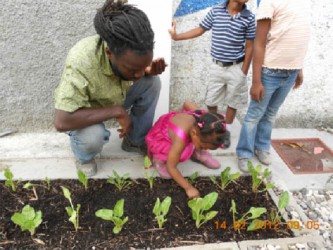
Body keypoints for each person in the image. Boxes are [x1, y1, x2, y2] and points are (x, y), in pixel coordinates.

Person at [54, 0, 167, 177]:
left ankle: (135, 141)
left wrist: (148, 70)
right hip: (87, 110)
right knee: (93, 137)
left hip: (114, 95)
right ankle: (85, 157)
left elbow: (135, 71)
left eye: (142, 66)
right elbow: (62, 121)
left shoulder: (130, 48)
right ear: (109, 53)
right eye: (132, 69)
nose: (137, 74)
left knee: (152, 82)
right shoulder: (82, 60)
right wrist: (117, 111)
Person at [236, 0, 311, 172]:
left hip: (290, 72)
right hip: (270, 72)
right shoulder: (269, 3)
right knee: (255, 115)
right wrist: (256, 81)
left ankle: (261, 147)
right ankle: (244, 153)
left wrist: (298, 69)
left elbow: (297, 39)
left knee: (270, 114)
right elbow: (259, 43)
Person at [168, 0, 256, 146]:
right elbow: (200, 29)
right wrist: (177, 37)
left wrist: (244, 71)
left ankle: (225, 132)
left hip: (237, 67)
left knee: (233, 102)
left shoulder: (249, 17)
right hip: (217, 67)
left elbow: (250, 46)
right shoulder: (216, 11)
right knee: (211, 101)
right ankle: (216, 126)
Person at [146, 101, 228, 198]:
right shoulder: (180, 138)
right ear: (193, 133)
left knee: (191, 146)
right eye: (203, 147)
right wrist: (188, 188)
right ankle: (159, 158)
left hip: (186, 134)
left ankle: (197, 151)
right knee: (182, 154)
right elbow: (171, 167)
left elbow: (187, 103)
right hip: (162, 138)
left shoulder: (205, 120)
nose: (206, 149)